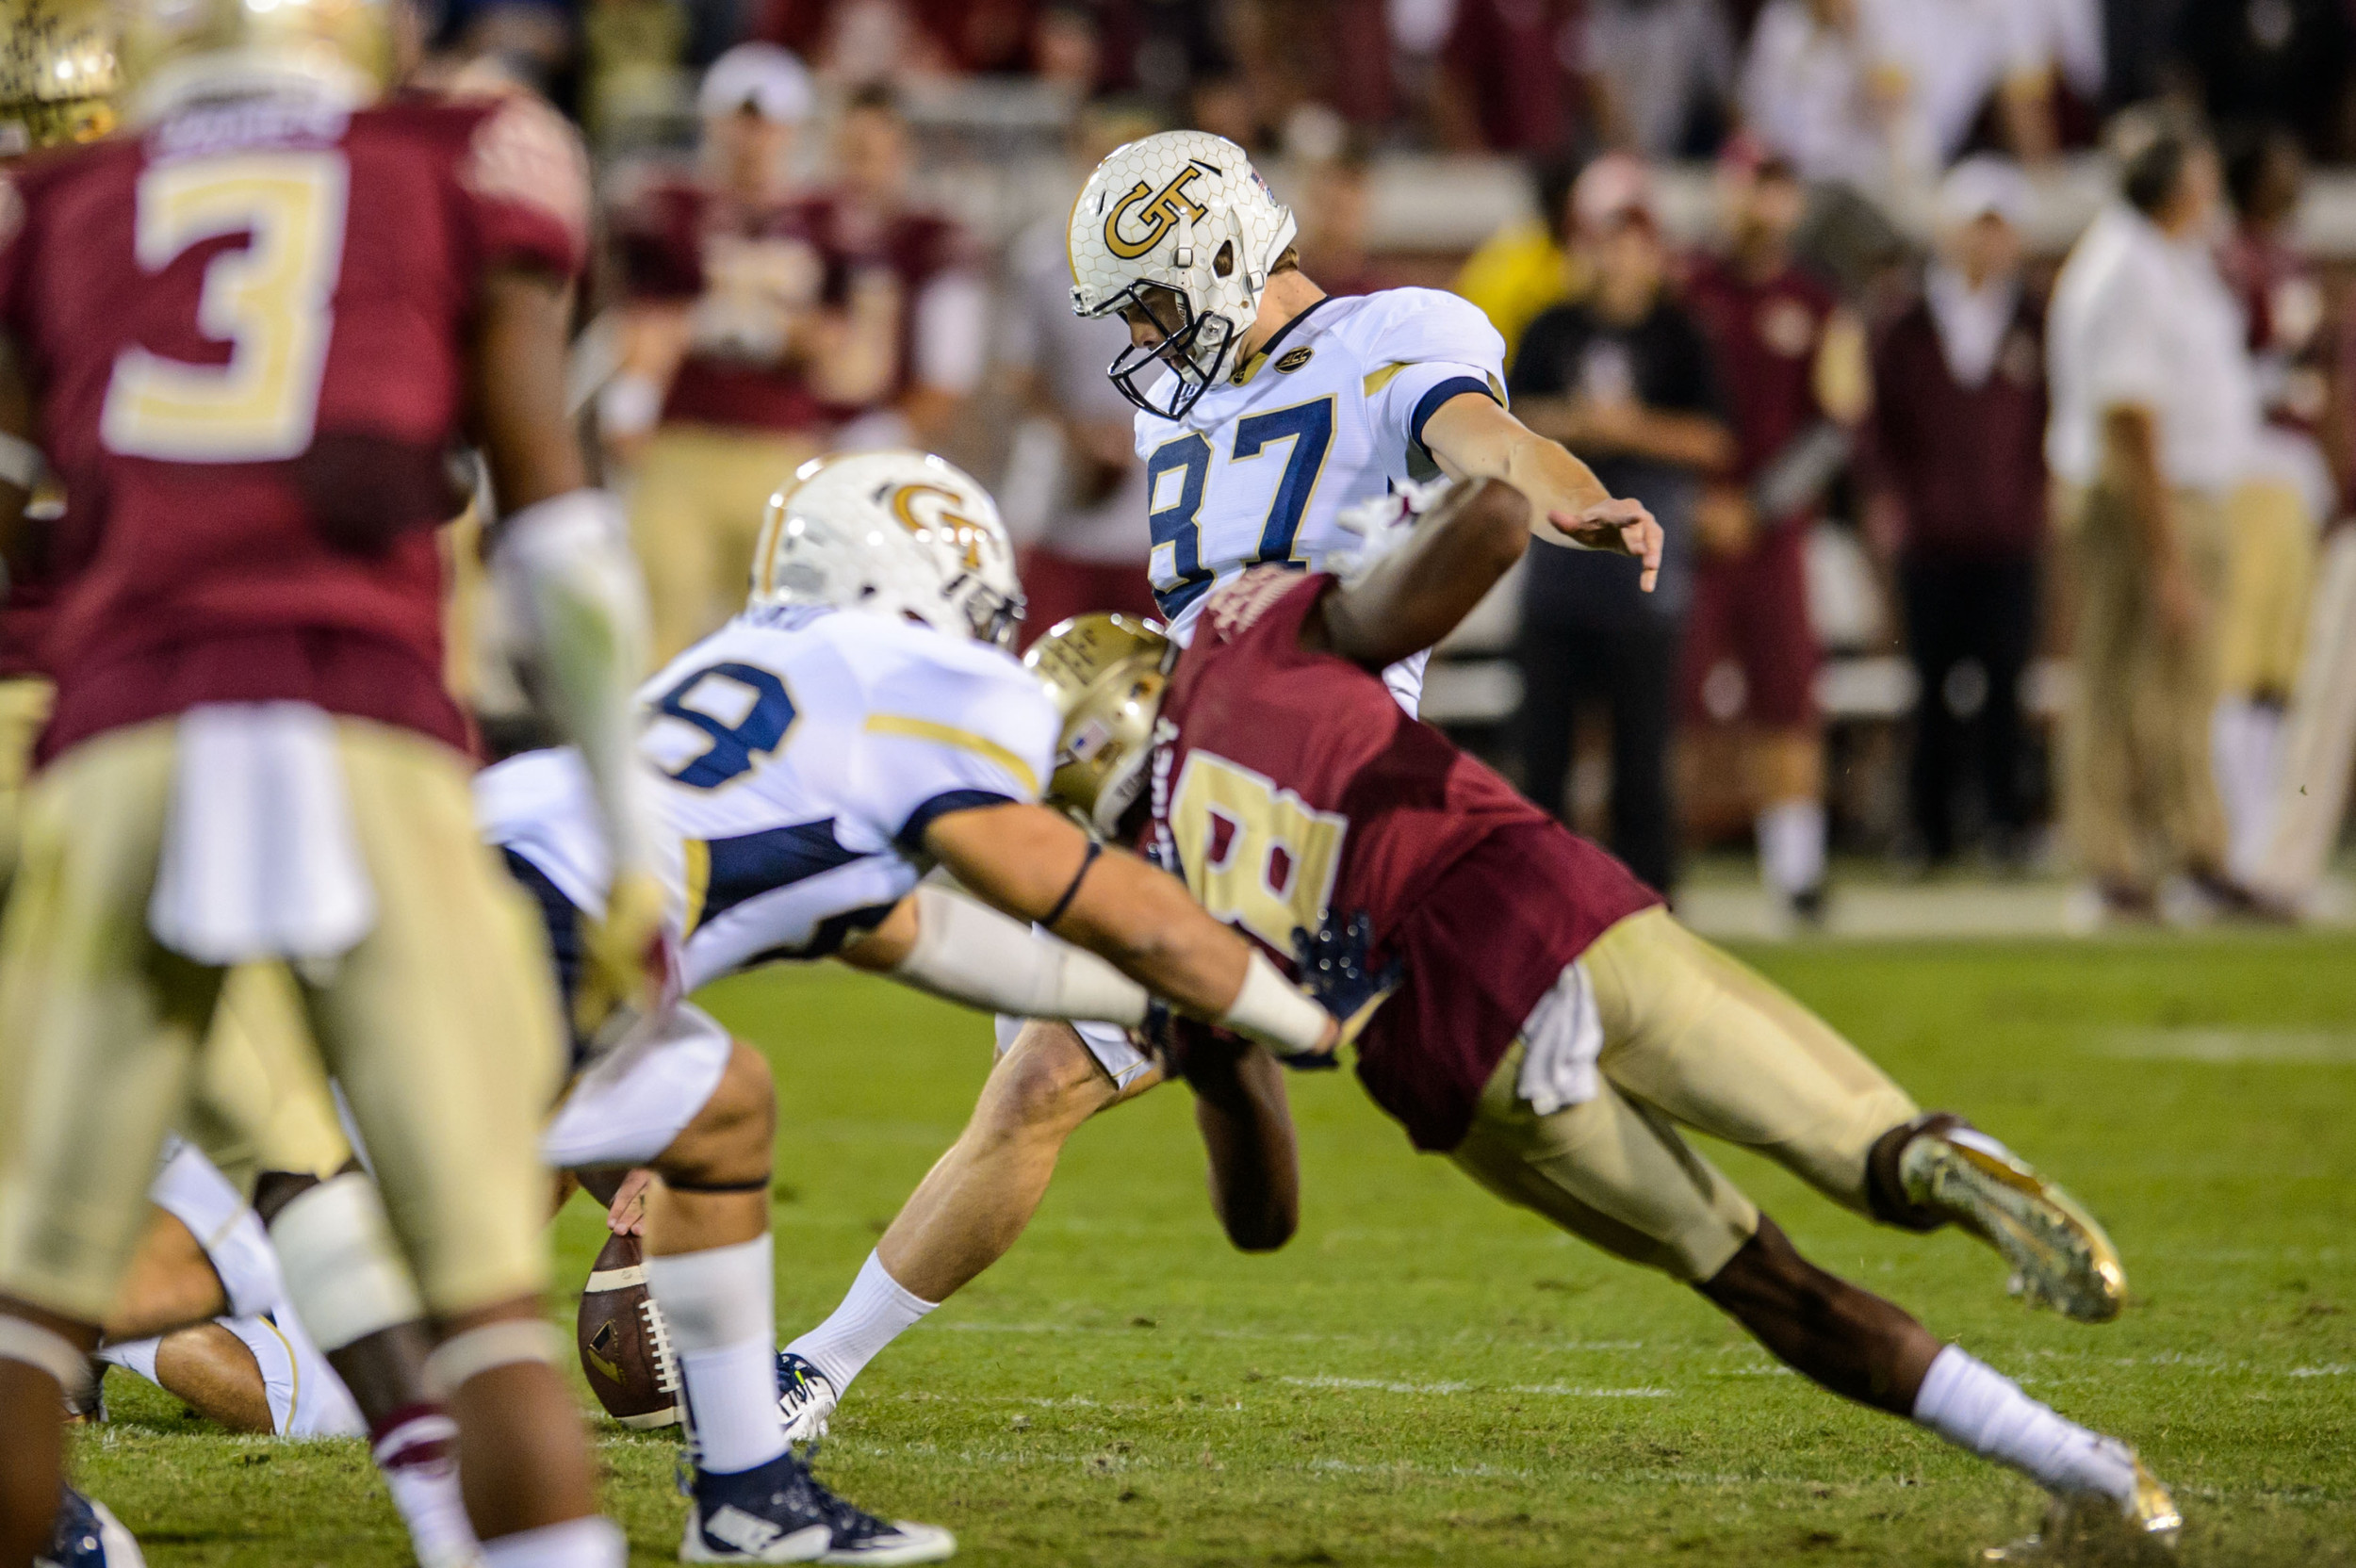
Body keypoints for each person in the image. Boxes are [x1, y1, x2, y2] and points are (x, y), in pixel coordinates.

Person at [118, 449, 1353, 1562]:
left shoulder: (769, 668)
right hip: (514, 940)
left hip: (482, 886)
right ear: (912, 583)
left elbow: (928, 940)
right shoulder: (913, 680)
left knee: (721, 1108)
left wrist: (1151, 1006)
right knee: (238, 1256)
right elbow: (1084, 896)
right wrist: (1284, 1008)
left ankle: (746, 1491)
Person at [1028, 477, 2181, 1565]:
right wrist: (1425, 510)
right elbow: (1486, 527)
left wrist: (1215, 1049)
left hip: (1453, 1046)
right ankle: (1928, 1157)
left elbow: (1263, 1215)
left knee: (1749, 1269)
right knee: (1854, 1133)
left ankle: (2083, 1470)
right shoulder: (1241, 626)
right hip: (1540, 896)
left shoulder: (1148, 904)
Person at [770, 126, 1662, 1434]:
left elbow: (1485, 439)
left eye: (1149, 297)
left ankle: (813, 1370)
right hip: (1170, 777)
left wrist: (1569, 495)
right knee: (1039, 1076)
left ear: (1224, 253)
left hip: (1303, 785)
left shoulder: (1391, 334)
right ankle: (825, 1358)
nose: (1141, 332)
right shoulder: (1172, 403)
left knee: (1050, 1083)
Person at [0, 0, 664, 1560]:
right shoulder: (467, 155)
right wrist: (630, 834)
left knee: (28, 1316)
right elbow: (554, 533)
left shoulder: (55, 211)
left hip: (114, 738)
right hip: (360, 725)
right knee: (481, 1300)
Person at [2046, 109, 2260, 923]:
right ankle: (2123, 858)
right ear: (2173, 184)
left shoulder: (2165, 260)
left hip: (2172, 488)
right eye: (2201, 174)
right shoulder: (2126, 270)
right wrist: (2167, 553)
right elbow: (2130, 420)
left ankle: (2178, 849)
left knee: (2172, 680)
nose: (2212, 190)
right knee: (2124, 676)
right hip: (2140, 493)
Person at [1508, 155, 1734, 894]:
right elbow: (1501, 421)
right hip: (1559, 580)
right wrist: (1581, 423)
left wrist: (1627, 429)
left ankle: (1648, 904)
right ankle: (1537, 898)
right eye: (1609, 234)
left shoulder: (1679, 334)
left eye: (1634, 235)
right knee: (1545, 758)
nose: (1622, 253)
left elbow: (1712, 439)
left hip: (1640, 584)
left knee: (1644, 760)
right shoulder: (1550, 329)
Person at [605, 42, 850, 664]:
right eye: (740, 120)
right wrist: (629, 405)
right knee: (654, 625)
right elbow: (641, 322)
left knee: (788, 631)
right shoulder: (670, 206)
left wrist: (767, 331)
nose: (752, 138)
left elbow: (847, 352)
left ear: (792, 129)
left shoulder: (828, 217)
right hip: (683, 443)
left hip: (782, 449)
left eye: (766, 122)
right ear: (713, 123)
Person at [1682, 145, 1870, 923]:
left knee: (1788, 691)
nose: (1763, 206)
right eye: (1752, 187)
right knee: (1675, 694)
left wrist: (1756, 507)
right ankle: (1662, 861)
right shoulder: (1687, 289)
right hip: (1686, 519)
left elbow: (1837, 424)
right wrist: (1691, 499)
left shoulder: (1818, 303)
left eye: (1777, 190)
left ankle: (1797, 867)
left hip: (1773, 527)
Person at [1863, 156, 2048, 870]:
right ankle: (1929, 829)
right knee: (1930, 685)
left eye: (1999, 229)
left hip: (2007, 530)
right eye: (1977, 227)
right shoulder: (1904, 319)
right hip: (1930, 533)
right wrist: (1892, 502)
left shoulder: (2032, 316)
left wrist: (2036, 498)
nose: (1987, 243)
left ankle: (2005, 826)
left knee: (2006, 684)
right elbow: (1874, 425)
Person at [995, 102, 1162, 644]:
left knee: (1165, 683)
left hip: (1160, 508)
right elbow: (1015, 372)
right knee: (1042, 661)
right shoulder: (1044, 258)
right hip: (1063, 498)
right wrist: (1077, 433)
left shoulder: (1189, 260)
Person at [2214, 127, 2332, 887]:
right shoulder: (2227, 262)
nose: (2295, 181)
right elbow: (2224, 374)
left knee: (2283, 665)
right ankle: (2237, 831)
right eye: (2281, 167)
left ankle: (2264, 831)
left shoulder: (2294, 261)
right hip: (2247, 464)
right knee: (2241, 657)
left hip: (2293, 470)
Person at [803, 86, 988, 453]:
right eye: (847, 153)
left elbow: (947, 378)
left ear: (903, 155)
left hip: (884, 447)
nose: (856, 171)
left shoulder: (935, 242)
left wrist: (875, 437)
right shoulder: (801, 226)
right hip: (786, 440)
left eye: (869, 155)